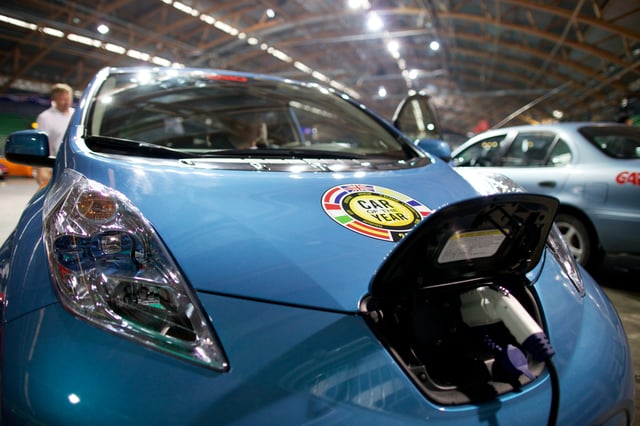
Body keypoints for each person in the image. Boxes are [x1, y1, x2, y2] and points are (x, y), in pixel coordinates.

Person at [34, 83, 74, 186]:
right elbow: (40, 144)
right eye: (63, 99)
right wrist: (41, 169)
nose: (66, 102)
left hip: (74, 166)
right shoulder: (45, 117)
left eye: (68, 98)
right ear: (54, 99)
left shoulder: (75, 115)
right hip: (54, 168)